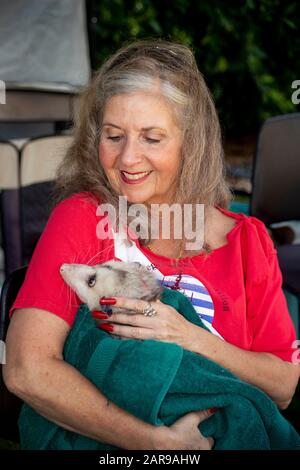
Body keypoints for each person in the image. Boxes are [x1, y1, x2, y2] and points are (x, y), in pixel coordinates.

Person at [3, 39, 299, 450]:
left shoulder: (247, 240)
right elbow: (26, 370)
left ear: (189, 142)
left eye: (151, 138)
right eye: (114, 136)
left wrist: (188, 336)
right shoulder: (84, 217)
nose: (127, 158)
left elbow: (283, 384)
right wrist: (157, 443)